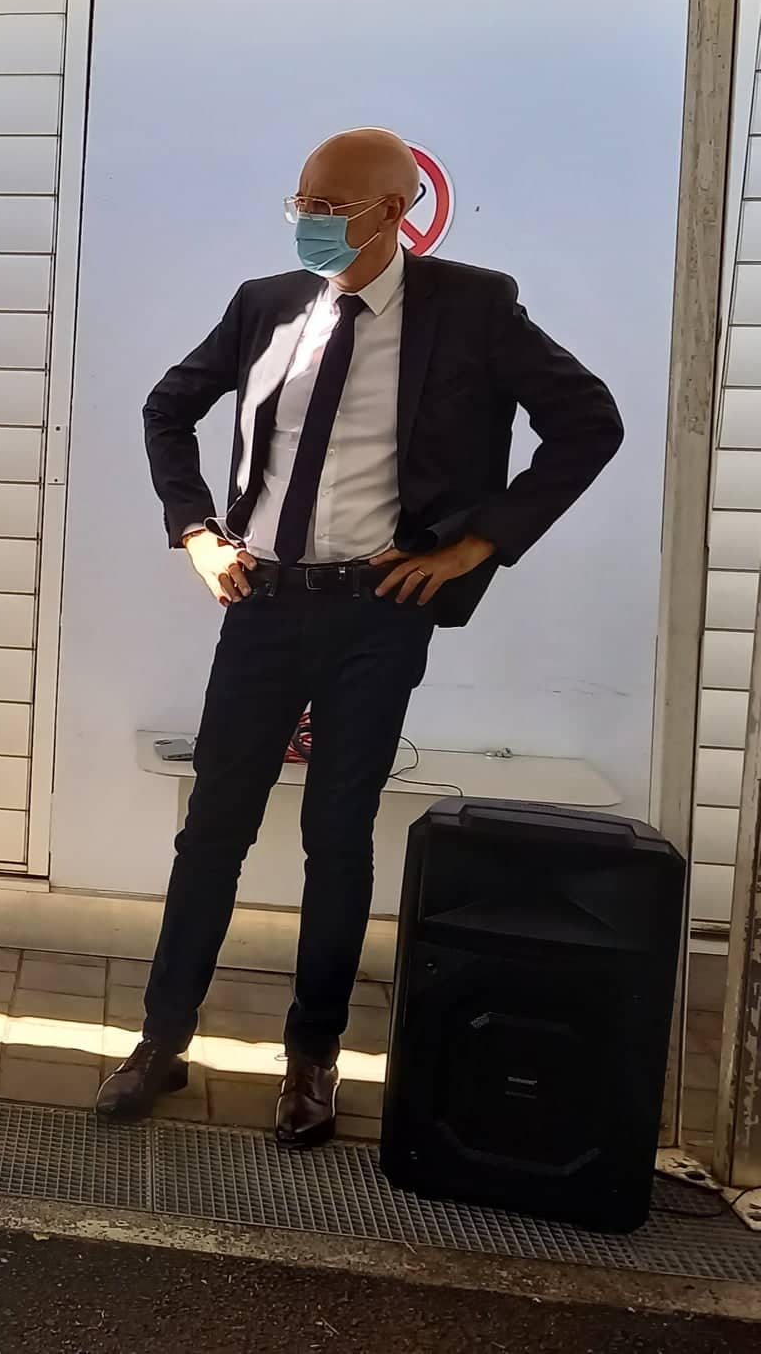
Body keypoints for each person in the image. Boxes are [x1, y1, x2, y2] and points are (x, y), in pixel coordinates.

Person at [99, 128, 623, 1146]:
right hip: (261, 600)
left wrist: (477, 544)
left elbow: (587, 422)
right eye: (298, 203)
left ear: (392, 212)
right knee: (212, 828)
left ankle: (312, 1055)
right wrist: (196, 531)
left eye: (328, 209)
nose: (306, 223)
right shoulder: (263, 304)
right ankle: (162, 1040)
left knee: (335, 836)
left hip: (375, 611)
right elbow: (168, 408)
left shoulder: (472, 307)